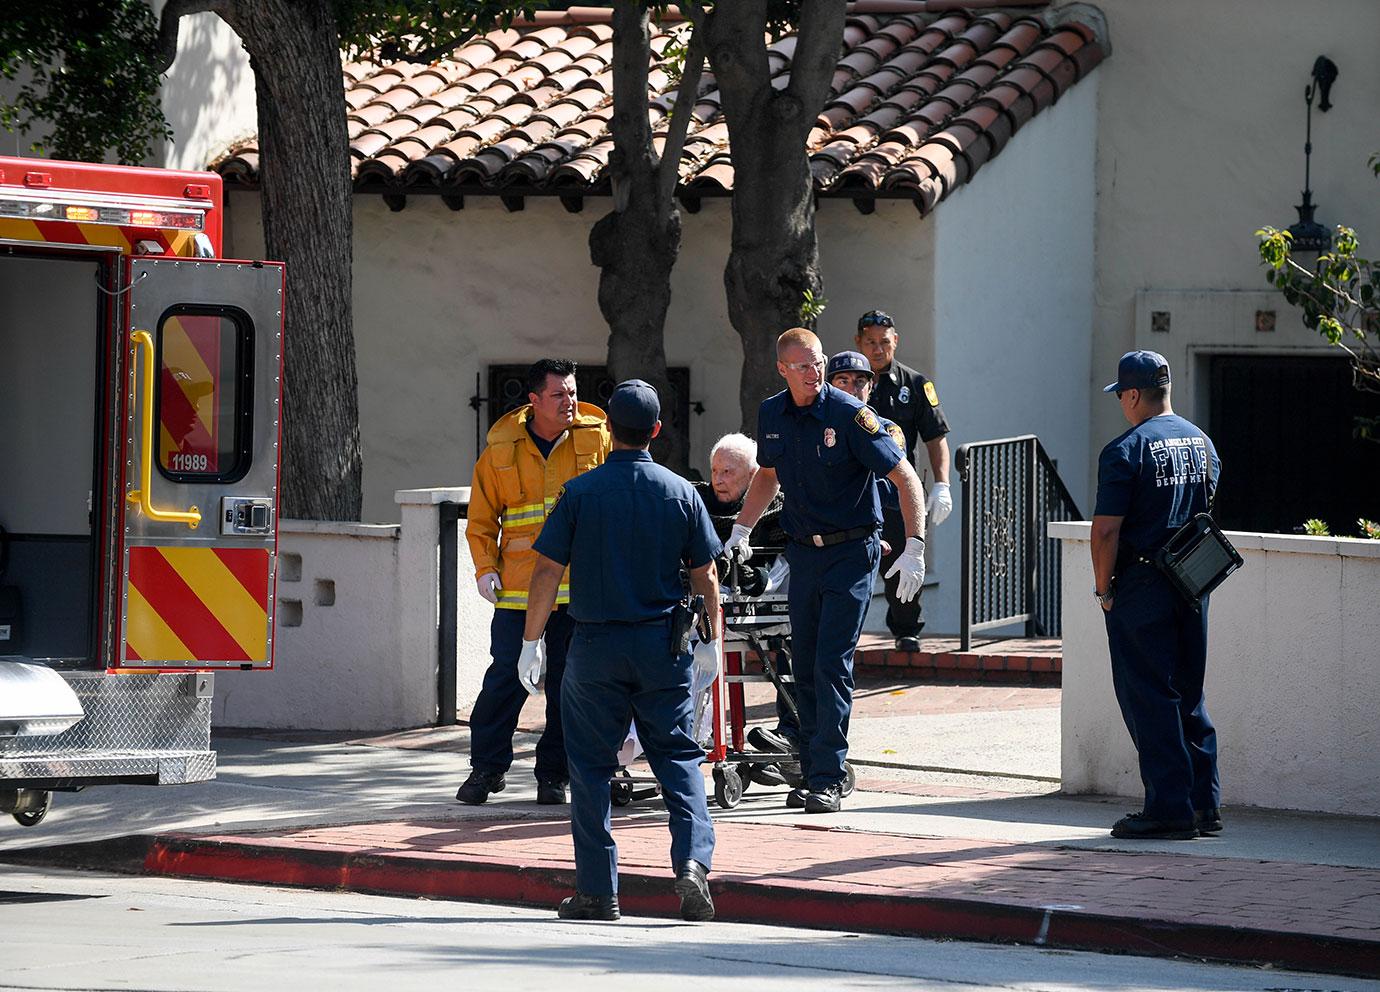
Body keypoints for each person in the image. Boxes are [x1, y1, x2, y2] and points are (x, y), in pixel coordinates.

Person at [525, 379, 721, 922]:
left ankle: (597, 890)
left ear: (608, 429)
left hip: (595, 647)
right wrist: (713, 640)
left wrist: (531, 641)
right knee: (678, 757)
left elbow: (546, 569)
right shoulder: (682, 492)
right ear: (656, 430)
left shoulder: (581, 492)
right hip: (664, 643)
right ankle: (691, 867)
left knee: (588, 766)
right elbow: (705, 575)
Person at [726, 329, 927, 814]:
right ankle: (813, 767)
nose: (814, 373)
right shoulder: (773, 413)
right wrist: (740, 529)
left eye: (817, 363)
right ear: (783, 369)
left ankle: (828, 778)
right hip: (804, 553)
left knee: (832, 663)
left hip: (852, 552)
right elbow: (768, 475)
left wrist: (915, 546)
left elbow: (905, 477)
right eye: (803, 366)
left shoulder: (849, 414)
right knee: (806, 663)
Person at [456, 359, 611, 807]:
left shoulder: (596, 438)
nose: (570, 402)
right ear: (534, 400)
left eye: (573, 392)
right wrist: (485, 567)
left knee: (569, 685)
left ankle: (554, 775)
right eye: (559, 394)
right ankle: (486, 768)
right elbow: (481, 521)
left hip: (578, 591)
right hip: (519, 592)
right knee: (505, 678)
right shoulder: (500, 449)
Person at [1092, 350, 1222, 841]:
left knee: (1149, 694)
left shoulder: (1124, 449)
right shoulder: (1202, 441)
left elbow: (1105, 532)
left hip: (1143, 583)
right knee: (1189, 691)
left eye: (1121, 396)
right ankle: (1203, 805)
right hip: (1193, 580)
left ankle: (1169, 809)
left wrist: (1104, 590)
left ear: (1131, 395)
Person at [855, 309, 952, 651]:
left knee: (903, 559)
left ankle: (906, 630)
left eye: (884, 342)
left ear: (895, 341)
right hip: (854, 488)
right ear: (859, 343)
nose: (878, 349)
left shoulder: (915, 384)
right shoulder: (847, 382)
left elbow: (935, 437)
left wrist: (942, 484)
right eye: (871, 343)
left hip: (898, 491)